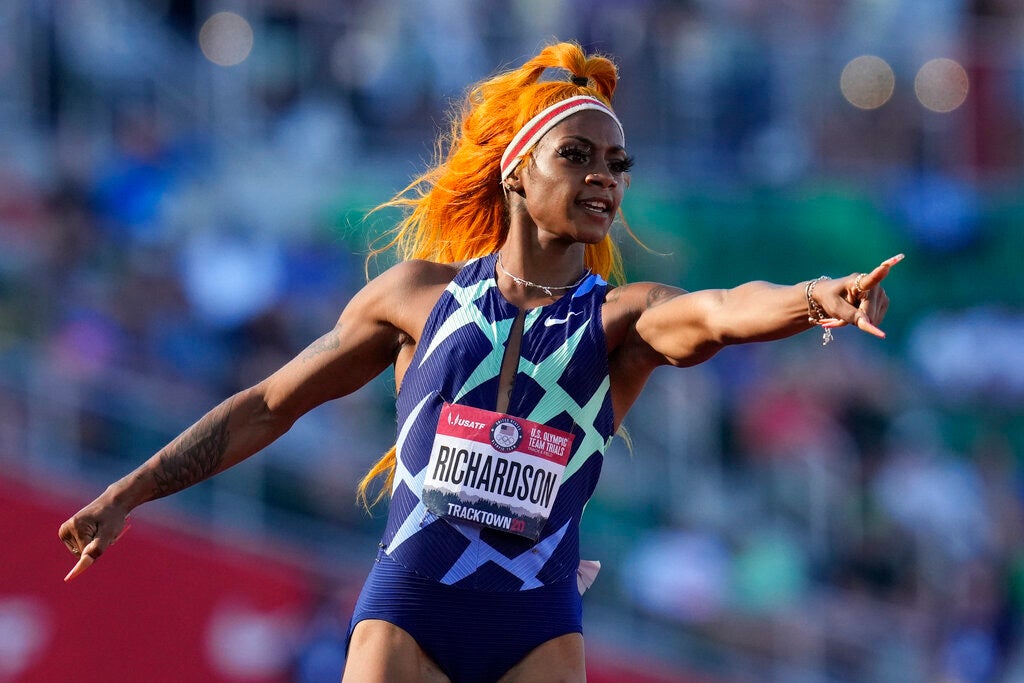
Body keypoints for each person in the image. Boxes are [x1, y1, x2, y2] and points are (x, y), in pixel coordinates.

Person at [59, 41, 903, 682]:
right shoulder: (414, 297)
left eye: (617, 165)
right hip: (408, 606)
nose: (605, 179)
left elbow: (719, 313)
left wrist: (813, 295)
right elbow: (272, 402)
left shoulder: (621, 320)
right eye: (577, 156)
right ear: (514, 172)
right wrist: (130, 490)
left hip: (535, 623)